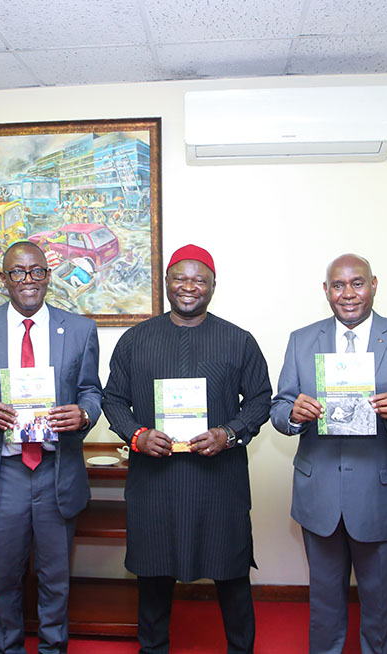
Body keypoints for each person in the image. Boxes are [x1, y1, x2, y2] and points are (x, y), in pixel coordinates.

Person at [270, 253, 387, 654]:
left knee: (381, 608)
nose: (347, 293)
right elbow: (278, 408)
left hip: (382, 494)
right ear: (325, 291)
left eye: (357, 283)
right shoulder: (302, 340)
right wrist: (293, 415)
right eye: (337, 285)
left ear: (374, 284)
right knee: (325, 607)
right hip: (320, 496)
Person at [103, 244, 272, 654]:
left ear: (214, 286)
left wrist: (229, 433)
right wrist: (136, 435)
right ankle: (153, 648)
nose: (189, 287)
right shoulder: (135, 339)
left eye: (199, 279)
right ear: (166, 283)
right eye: (180, 278)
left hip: (219, 482)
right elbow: (112, 399)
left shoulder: (238, 340)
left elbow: (261, 399)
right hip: (154, 481)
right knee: (154, 575)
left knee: (231, 574)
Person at [0, 241, 101, 654]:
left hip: (57, 471)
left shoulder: (80, 329)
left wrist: (84, 415)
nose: (28, 280)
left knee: (56, 578)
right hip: (4, 474)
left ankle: (54, 649)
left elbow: (92, 391)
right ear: (4, 279)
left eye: (36, 271)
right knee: (5, 579)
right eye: (18, 272)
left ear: (48, 276)